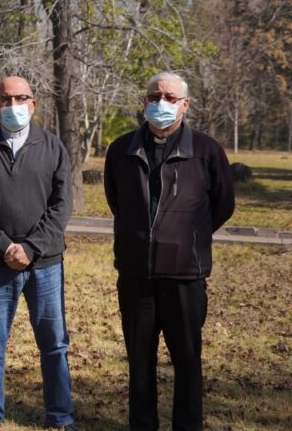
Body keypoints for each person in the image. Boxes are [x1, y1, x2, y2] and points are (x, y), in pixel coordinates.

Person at [104, 71, 235, 431]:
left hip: (185, 278)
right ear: (144, 101)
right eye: (154, 96)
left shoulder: (207, 151)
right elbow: (117, 202)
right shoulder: (121, 150)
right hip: (136, 278)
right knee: (140, 365)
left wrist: (187, 236)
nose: (161, 103)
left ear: (185, 105)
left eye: (170, 97)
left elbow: (222, 206)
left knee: (188, 362)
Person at [0, 76, 76, 431]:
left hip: (45, 265)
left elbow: (62, 205)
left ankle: (60, 416)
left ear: (33, 104)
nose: (13, 106)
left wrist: (29, 247)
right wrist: (4, 246)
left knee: (54, 345)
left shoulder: (53, 148)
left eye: (20, 98)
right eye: (6, 99)